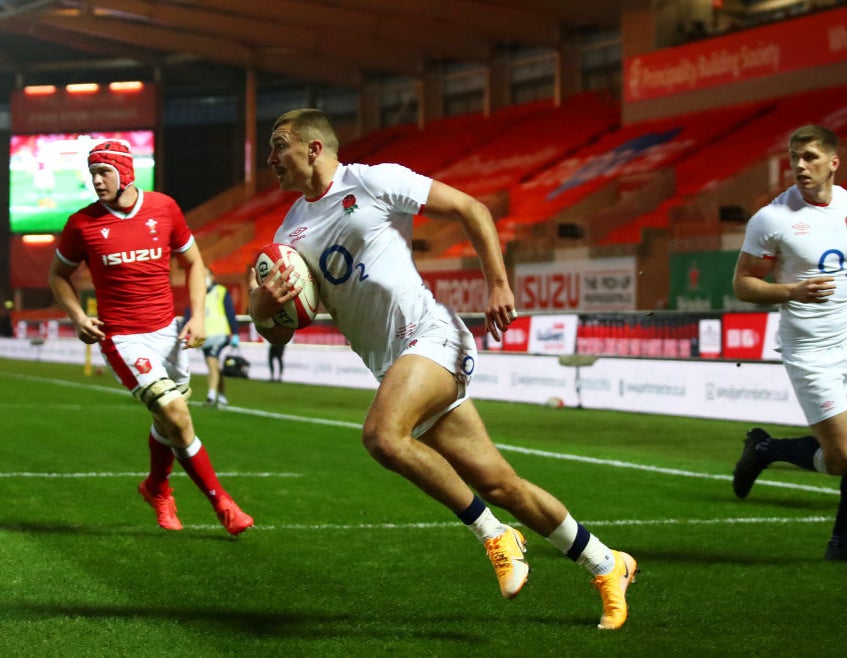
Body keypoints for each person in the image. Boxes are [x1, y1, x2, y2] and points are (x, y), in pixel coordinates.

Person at [247, 109, 638, 629]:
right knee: (502, 484)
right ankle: (607, 564)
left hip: (434, 337)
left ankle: (495, 536)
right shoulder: (289, 231)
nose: (271, 159)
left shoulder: (372, 179)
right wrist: (261, 308)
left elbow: (471, 208)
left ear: (314, 147)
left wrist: (497, 284)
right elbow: (282, 328)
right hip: (397, 367)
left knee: (384, 437)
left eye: (279, 146)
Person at [48, 139, 254, 536]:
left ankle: (156, 487)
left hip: (169, 333)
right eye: (92, 173)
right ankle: (222, 503)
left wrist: (195, 317)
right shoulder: (81, 224)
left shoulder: (164, 208)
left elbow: (194, 263)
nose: (96, 180)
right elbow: (58, 275)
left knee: (168, 418)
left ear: (126, 172)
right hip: (123, 339)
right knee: (176, 413)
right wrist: (76, 317)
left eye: (103, 171)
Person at [732, 124, 847, 562]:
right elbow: (743, 284)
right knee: (845, 458)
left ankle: (843, 542)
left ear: (834, 162)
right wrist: (792, 291)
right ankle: (767, 449)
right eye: (795, 157)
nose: (799, 165)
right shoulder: (772, 219)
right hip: (809, 353)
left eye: (810, 157)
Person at [185, 267, 240, 406]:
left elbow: (230, 312)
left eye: (206, 274)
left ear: (212, 276)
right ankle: (221, 395)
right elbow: (189, 312)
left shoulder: (221, 291)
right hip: (204, 337)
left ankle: (211, 395)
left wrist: (235, 333)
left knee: (211, 362)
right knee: (214, 366)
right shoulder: (196, 294)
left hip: (220, 335)